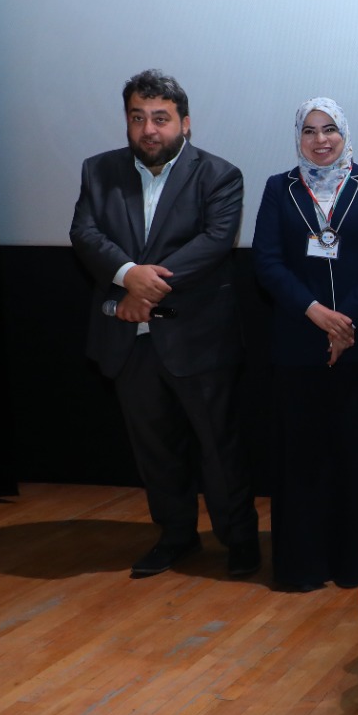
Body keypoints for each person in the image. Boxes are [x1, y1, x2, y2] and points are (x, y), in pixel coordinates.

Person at [69, 69, 259, 578]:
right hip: (129, 339)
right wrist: (127, 274)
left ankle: (239, 539)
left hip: (197, 337)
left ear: (185, 123)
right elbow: (85, 233)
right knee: (155, 449)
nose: (148, 129)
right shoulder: (98, 170)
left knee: (219, 448)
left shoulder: (219, 174)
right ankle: (176, 536)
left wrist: (143, 288)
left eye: (160, 118)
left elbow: (214, 243)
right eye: (138, 118)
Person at [252, 97, 358, 592]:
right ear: (298, 137)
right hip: (298, 346)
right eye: (310, 131)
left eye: (330, 129)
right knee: (303, 461)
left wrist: (345, 323)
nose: (321, 140)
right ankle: (304, 565)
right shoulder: (279, 188)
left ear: (344, 133)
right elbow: (267, 261)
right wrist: (315, 313)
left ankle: (357, 563)